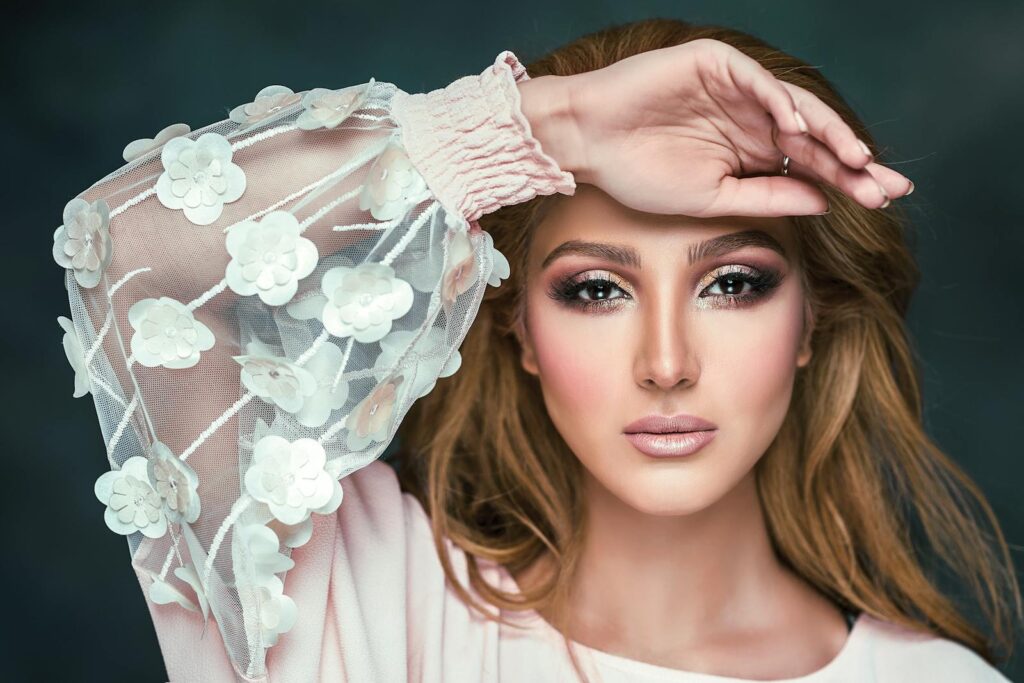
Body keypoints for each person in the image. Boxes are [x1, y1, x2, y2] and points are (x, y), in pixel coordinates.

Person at [52, 17, 1019, 683]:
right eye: (595, 289)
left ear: (811, 323)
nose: (667, 363)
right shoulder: (362, 590)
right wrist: (546, 128)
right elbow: (124, 251)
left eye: (732, 283)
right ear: (519, 326)